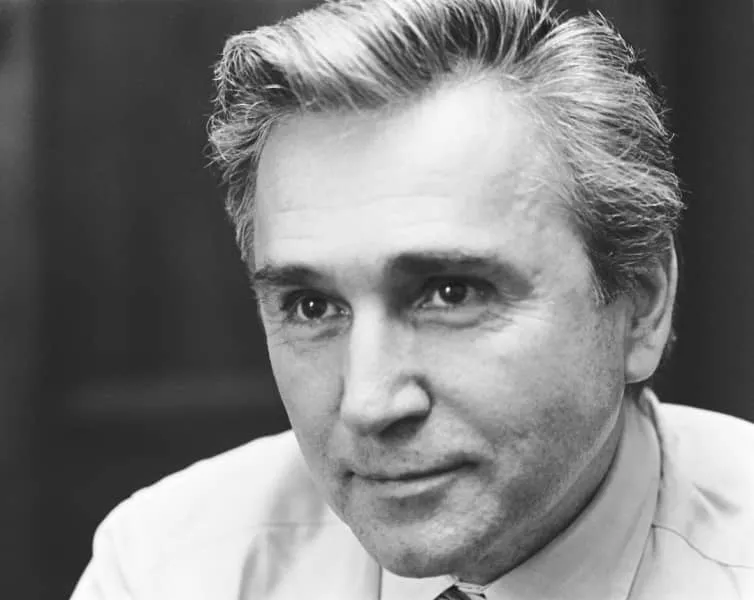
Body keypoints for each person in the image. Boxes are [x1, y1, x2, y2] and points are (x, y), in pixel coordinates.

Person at [71, 0, 754, 598]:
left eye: (451, 293)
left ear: (640, 305)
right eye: (312, 306)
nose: (369, 404)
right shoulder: (170, 566)